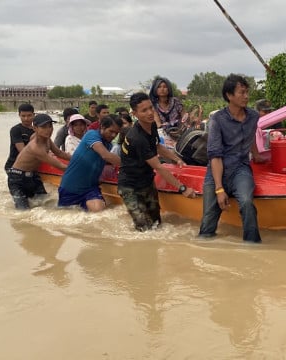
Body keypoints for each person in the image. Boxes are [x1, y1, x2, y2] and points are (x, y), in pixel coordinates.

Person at [199, 74, 264, 243]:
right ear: (229, 96)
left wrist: (256, 155)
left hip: (241, 169)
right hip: (217, 171)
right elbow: (215, 155)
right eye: (242, 92)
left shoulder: (253, 116)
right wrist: (219, 189)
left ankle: (252, 245)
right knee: (207, 223)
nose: (246, 96)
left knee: (247, 203)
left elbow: (250, 137)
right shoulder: (217, 120)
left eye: (247, 92)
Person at [118, 92, 197, 231]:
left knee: (157, 223)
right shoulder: (136, 138)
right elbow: (159, 167)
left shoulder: (152, 125)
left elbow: (157, 146)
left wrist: (176, 158)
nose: (149, 113)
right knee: (143, 228)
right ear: (134, 114)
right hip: (130, 187)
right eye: (144, 110)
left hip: (147, 181)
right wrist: (182, 188)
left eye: (151, 108)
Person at [58, 116, 122, 212]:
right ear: (102, 127)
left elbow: (107, 161)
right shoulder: (91, 135)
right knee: (66, 217)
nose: (113, 135)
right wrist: (131, 165)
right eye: (111, 131)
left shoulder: (109, 144)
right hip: (71, 187)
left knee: (99, 213)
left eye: (116, 133)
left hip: (90, 187)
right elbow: (105, 156)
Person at [7, 114, 71, 210]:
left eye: (50, 126)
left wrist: (78, 159)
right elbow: (60, 166)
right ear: (35, 128)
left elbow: (60, 153)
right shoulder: (35, 148)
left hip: (33, 176)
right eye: (43, 127)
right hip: (17, 179)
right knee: (23, 212)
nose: (48, 130)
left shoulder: (46, 139)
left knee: (46, 204)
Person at [4, 103, 35, 172]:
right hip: (13, 166)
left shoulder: (37, 130)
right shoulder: (16, 130)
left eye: (29, 115)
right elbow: (23, 151)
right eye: (23, 116)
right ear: (19, 115)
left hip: (29, 165)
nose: (26, 118)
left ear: (34, 115)